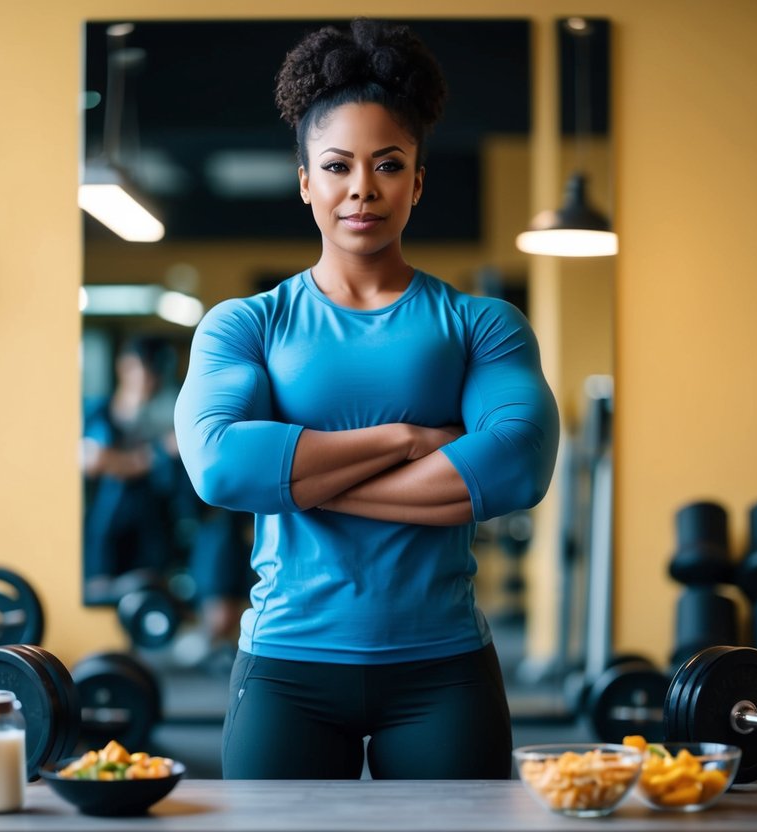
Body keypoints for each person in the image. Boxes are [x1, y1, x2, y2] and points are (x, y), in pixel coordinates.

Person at [174, 18, 559, 780]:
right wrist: (411, 440)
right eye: (337, 165)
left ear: (417, 180)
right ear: (304, 180)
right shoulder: (246, 324)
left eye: (387, 164)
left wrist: (300, 481)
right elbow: (220, 468)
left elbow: (516, 467)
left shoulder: (481, 324)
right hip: (286, 666)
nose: (361, 188)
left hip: (442, 668)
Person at [82, 335, 195, 589]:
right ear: (124, 366)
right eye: (140, 367)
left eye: (153, 371)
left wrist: (124, 461)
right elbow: (93, 461)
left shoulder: (169, 416)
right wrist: (149, 457)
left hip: (152, 537)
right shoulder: (98, 412)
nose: (146, 377)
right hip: (103, 540)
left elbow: (177, 450)